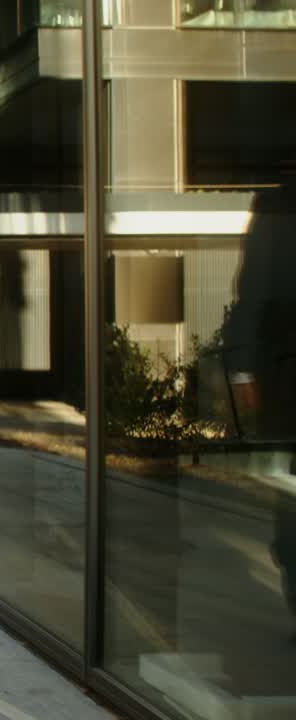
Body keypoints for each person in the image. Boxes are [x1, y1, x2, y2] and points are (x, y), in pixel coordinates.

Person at [222, 175, 296, 639]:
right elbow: (252, 292)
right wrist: (244, 369)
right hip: (286, 378)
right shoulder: (278, 205)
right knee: (290, 503)